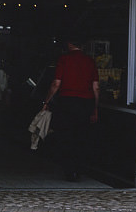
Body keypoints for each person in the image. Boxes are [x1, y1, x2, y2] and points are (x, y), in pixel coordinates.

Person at [42, 40, 99, 181]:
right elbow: (96, 87)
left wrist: (47, 101)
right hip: (85, 103)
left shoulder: (64, 59)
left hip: (67, 102)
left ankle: (69, 170)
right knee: (81, 137)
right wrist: (95, 108)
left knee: (66, 136)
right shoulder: (90, 61)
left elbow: (56, 83)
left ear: (68, 44)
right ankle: (78, 169)